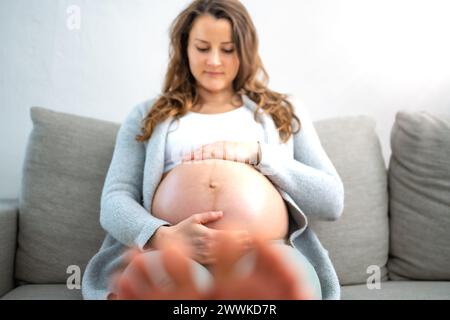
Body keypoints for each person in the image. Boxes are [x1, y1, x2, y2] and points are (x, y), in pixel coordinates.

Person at [81, 0, 344, 300]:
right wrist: (161, 236)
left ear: (244, 50)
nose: (215, 61)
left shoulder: (282, 110)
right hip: (173, 255)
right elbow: (114, 200)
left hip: (266, 255)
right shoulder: (146, 115)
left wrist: (258, 154)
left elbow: (332, 199)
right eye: (203, 48)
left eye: (228, 49)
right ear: (184, 48)